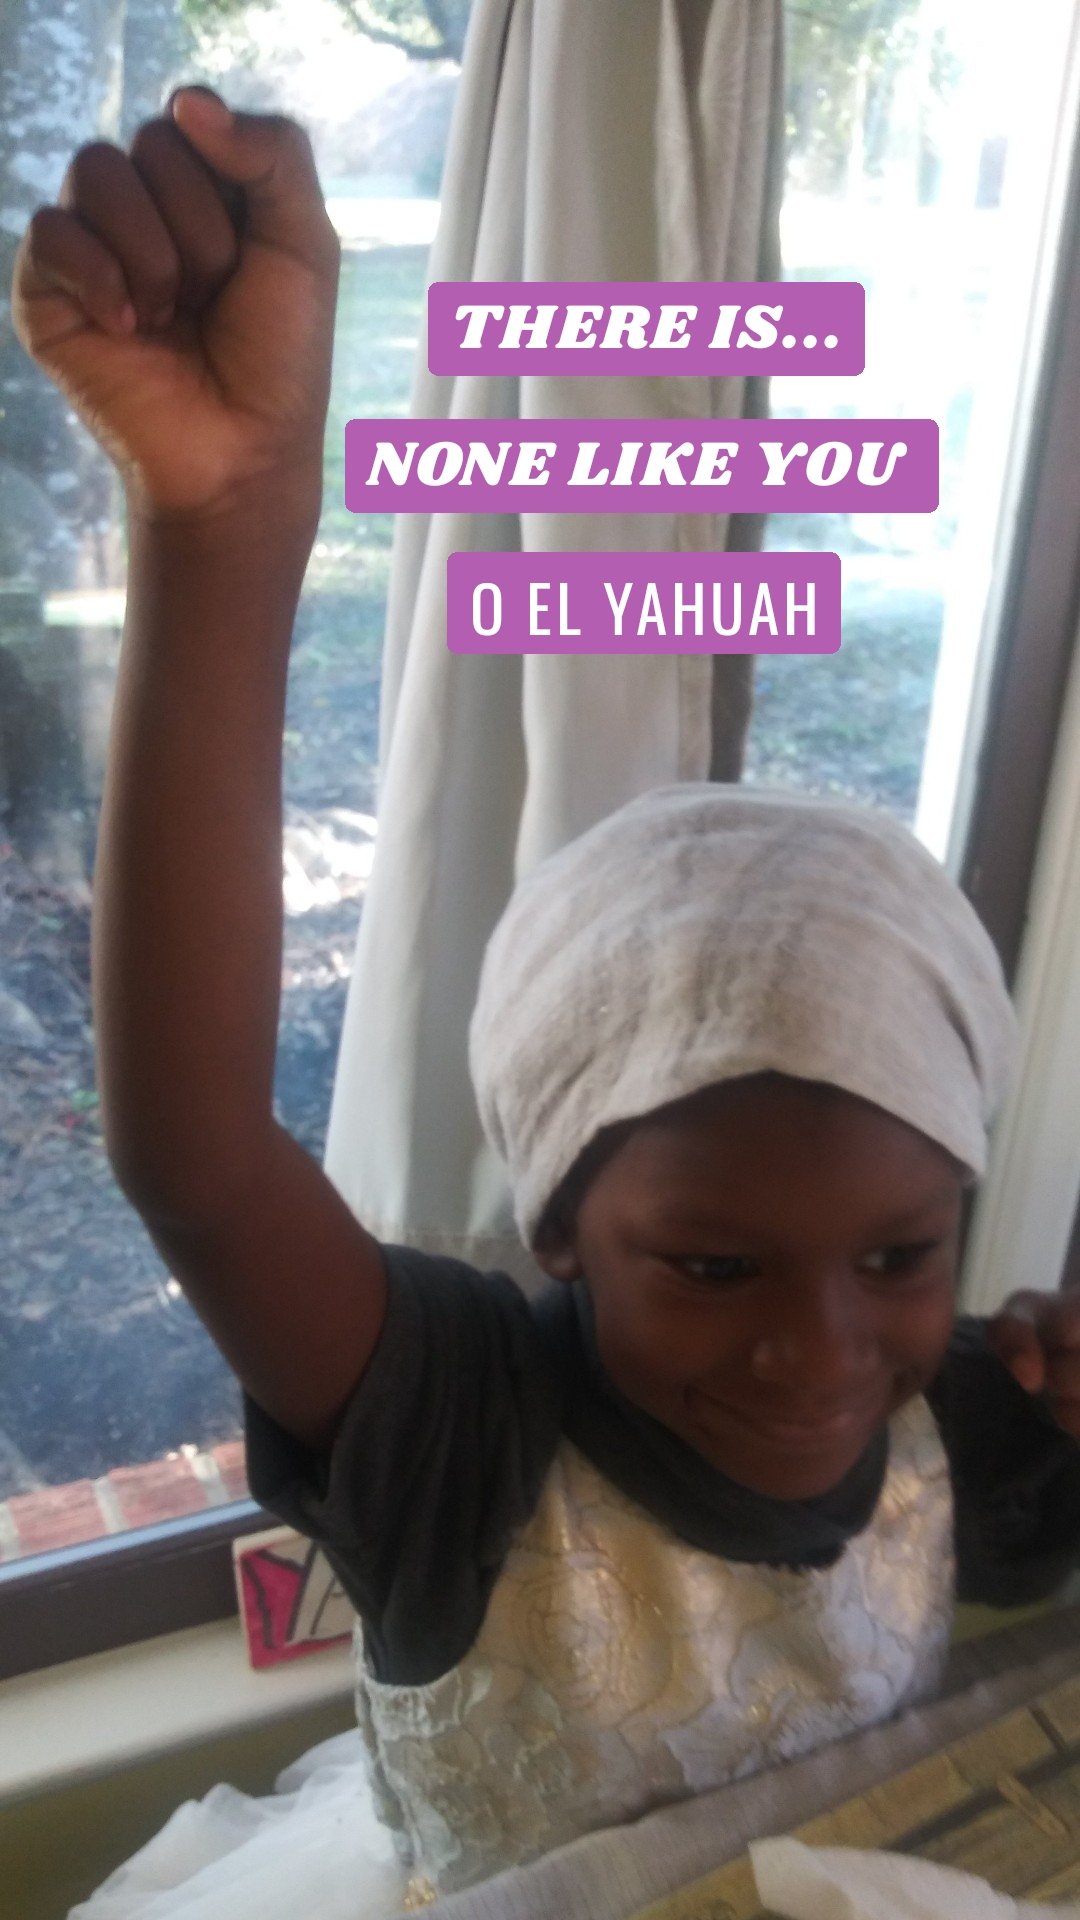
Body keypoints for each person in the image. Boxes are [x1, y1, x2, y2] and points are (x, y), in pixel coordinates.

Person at [15, 91, 1080, 1920]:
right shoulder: (462, 1430)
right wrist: (225, 516)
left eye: (903, 1254)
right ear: (565, 1221)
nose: (821, 1347)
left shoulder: (959, 1419)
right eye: (715, 1265)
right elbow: (196, 1157)